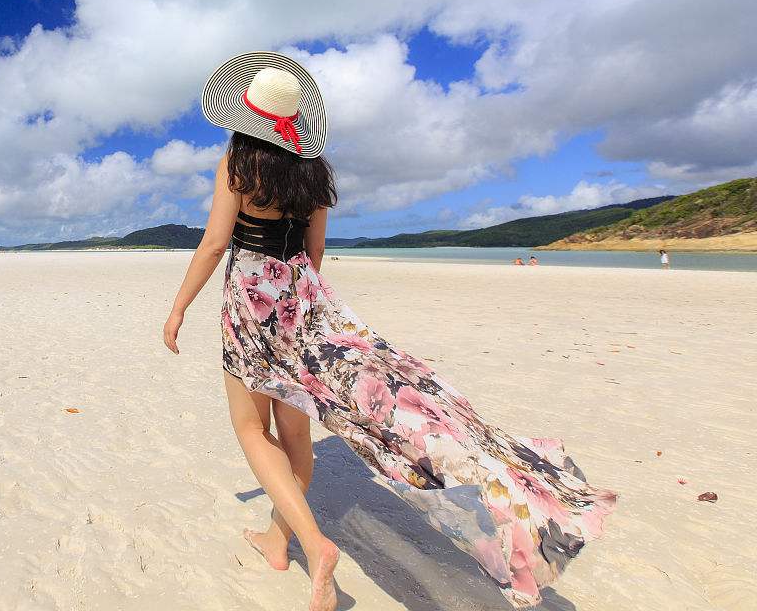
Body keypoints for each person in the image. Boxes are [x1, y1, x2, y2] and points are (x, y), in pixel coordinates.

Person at [162, 51, 616, 609]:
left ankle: (312, 543)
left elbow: (214, 244)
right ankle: (278, 542)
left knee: (252, 430)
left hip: (248, 304)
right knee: (298, 432)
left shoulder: (237, 165)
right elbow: (316, 249)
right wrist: (307, 309)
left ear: (247, 114)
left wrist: (179, 307)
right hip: (303, 300)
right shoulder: (314, 171)